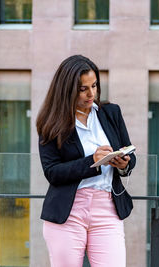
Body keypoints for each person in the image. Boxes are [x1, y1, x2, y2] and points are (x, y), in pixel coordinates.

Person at [36, 55, 136, 267]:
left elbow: (130, 154)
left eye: (94, 85)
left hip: (108, 209)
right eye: (83, 89)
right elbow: (52, 172)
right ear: (67, 90)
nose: (92, 94)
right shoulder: (51, 122)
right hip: (69, 212)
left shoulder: (111, 113)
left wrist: (124, 163)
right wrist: (93, 162)